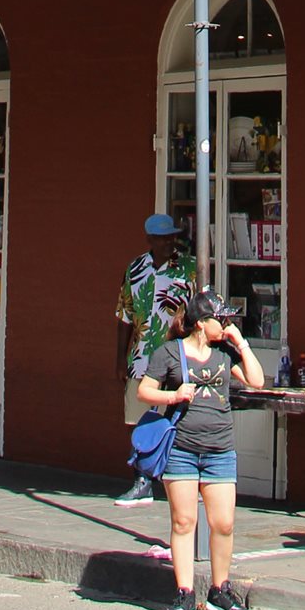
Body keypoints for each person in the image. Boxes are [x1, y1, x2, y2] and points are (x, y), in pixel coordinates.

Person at [137, 286, 265, 610]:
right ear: (200, 322)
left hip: (219, 449)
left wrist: (241, 342)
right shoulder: (169, 353)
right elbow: (144, 390)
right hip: (182, 447)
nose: (225, 324)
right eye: (220, 319)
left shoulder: (225, 353)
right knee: (183, 522)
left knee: (223, 523)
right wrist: (174, 395)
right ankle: (184, 593)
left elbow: (256, 380)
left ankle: (220, 589)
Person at [115, 211, 195, 504]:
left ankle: (180, 479)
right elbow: (124, 315)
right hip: (141, 356)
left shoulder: (188, 268)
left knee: (177, 419)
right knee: (141, 422)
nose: (170, 243)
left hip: (177, 357)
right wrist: (119, 359)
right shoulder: (135, 268)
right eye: (163, 238)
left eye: (173, 237)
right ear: (151, 239)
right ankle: (142, 480)